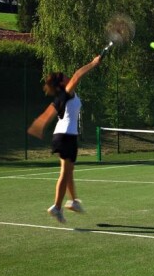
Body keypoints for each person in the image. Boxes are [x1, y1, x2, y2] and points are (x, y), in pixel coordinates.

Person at [27, 55, 103, 223]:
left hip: (62, 135)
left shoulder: (61, 97)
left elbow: (48, 114)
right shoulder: (67, 93)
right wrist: (93, 63)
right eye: (63, 77)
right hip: (66, 135)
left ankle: (74, 201)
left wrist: (39, 126)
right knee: (65, 173)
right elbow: (77, 76)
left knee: (68, 172)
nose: (67, 76)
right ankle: (56, 207)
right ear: (62, 83)